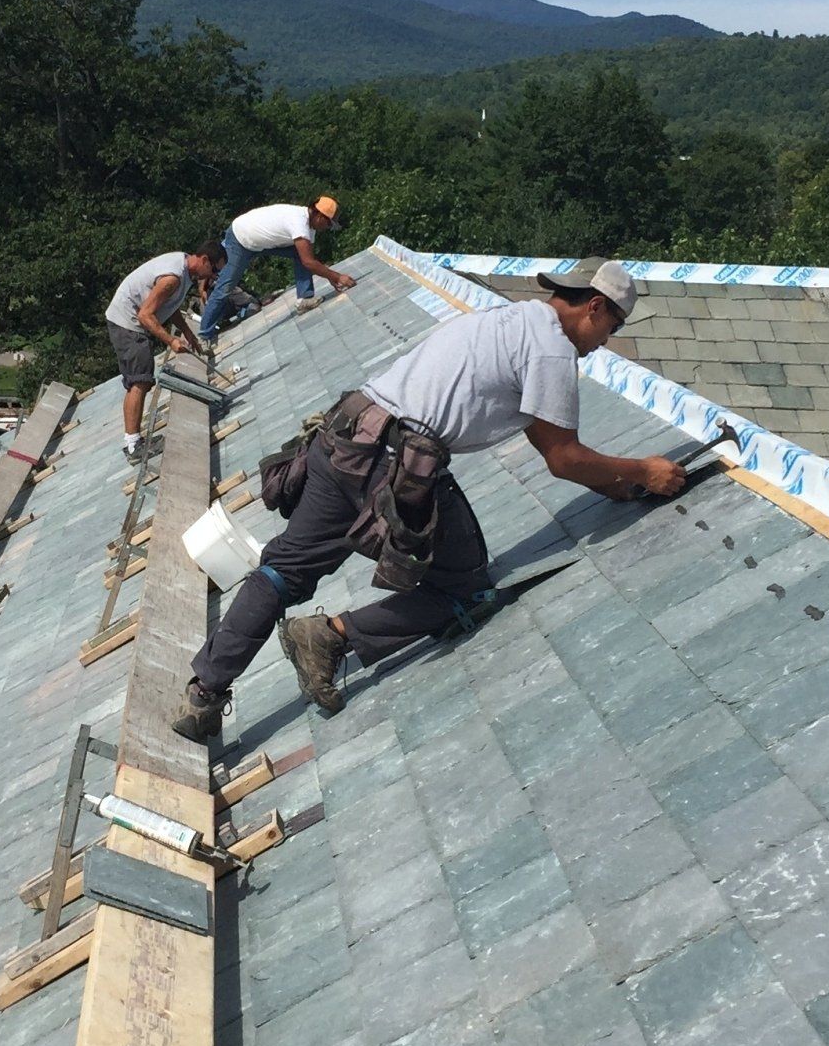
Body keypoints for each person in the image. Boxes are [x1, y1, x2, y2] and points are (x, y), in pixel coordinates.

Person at [174, 261, 688, 736]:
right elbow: (562, 457)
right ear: (595, 306)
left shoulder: (510, 319)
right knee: (466, 590)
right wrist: (644, 470)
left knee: (281, 571)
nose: (607, 341)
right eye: (613, 328)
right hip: (395, 468)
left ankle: (203, 695)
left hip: (345, 438)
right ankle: (330, 635)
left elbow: (545, 436)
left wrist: (614, 486)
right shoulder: (552, 350)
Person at [106, 241, 227, 458]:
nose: (214, 276)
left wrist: (187, 332)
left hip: (131, 320)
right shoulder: (173, 277)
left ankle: (134, 441)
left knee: (139, 380)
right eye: (214, 270)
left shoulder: (185, 269)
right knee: (139, 380)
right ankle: (134, 445)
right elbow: (145, 314)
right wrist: (171, 340)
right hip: (128, 323)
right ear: (204, 260)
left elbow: (168, 306)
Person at [195, 196, 354, 345]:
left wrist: (331, 277)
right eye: (328, 224)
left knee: (298, 253)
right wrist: (338, 276)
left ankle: (305, 298)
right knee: (226, 286)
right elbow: (309, 262)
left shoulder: (308, 227)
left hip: (258, 242)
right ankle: (204, 334)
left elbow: (307, 259)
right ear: (320, 216)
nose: (327, 228)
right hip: (240, 239)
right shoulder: (298, 222)